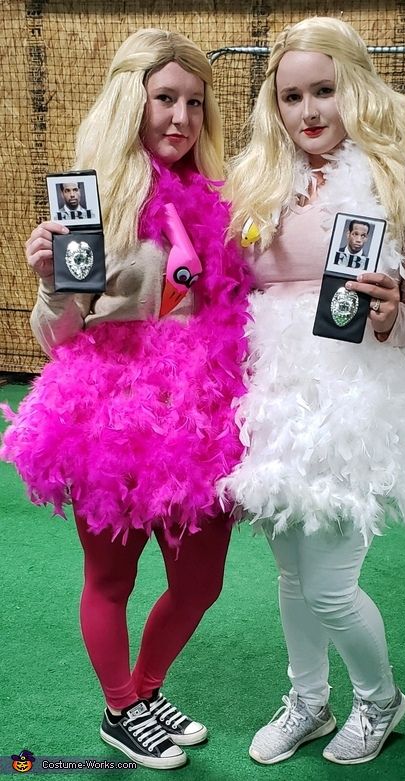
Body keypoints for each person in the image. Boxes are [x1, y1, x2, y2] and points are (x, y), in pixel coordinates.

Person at [220, 16, 405, 767]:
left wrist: (392, 317)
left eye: (325, 90)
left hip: (356, 406)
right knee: (289, 571)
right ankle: (308, 700)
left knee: (332, 585)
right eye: (291, 96)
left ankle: (379, 700)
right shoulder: (257, 181)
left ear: (357, 87)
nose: (309, 111)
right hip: (274, 402)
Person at [1, 28, 251, 770]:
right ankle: (120, 708)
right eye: (164, 99)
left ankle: (144, 689)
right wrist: (50, 286)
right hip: (110, 416)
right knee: (111, 577)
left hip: (201, 419)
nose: (180, 118)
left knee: (200, 582)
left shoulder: (217, 198)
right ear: (129, 103)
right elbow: (59, 333)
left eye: (195, 104)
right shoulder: (95, 200)